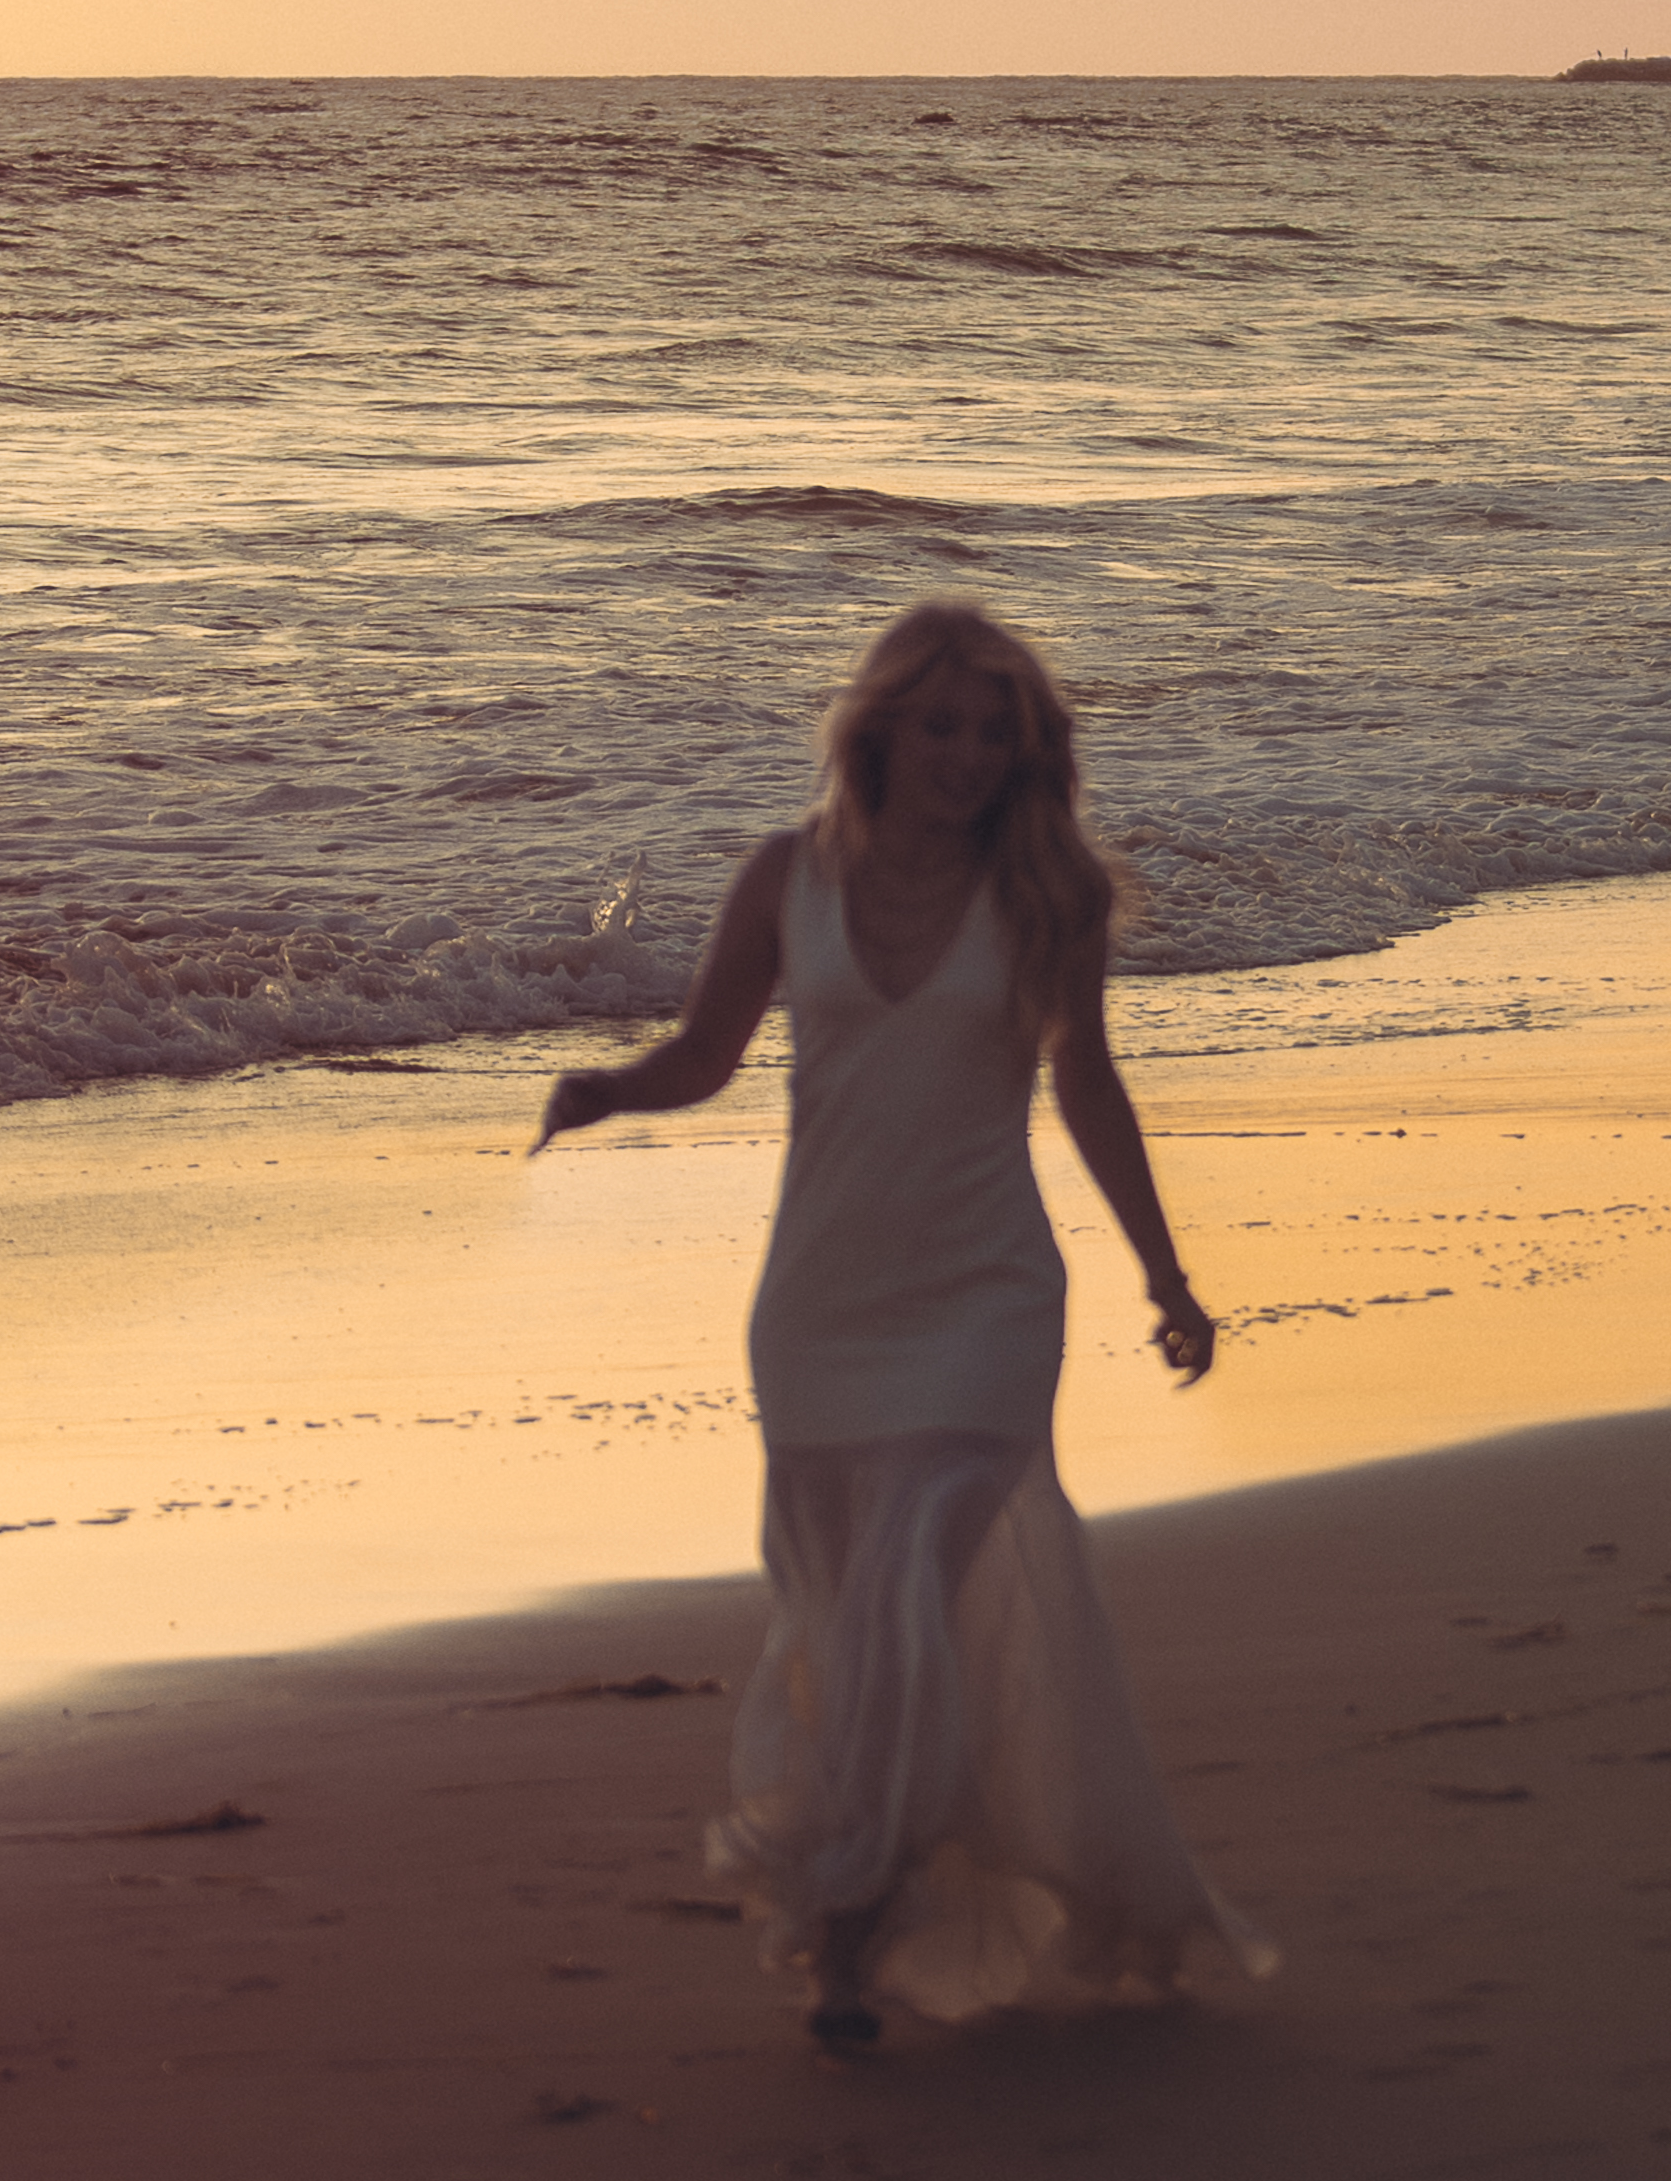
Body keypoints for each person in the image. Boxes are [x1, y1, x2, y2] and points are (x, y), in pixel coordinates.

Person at [537, 598, 1269, 2044]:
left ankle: (849, 1922)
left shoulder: (1041, 893)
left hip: (987, 1299)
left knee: (907, 1604)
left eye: (997, 732)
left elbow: (1089, 1088)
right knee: (844, 1611)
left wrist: (1167, 1278)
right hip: (823, 1309)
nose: (970, 754)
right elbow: (707, 1053)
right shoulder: (783, 879)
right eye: (944, 725)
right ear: (881, 728)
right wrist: (611, 1089)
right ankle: (857, 1927)